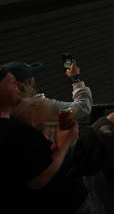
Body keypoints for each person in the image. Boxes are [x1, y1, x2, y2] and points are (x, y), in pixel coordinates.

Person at [0, 67, 83, 211]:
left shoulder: (13, 121)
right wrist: (65, 144)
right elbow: (37, 179)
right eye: (12, 83)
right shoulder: (11, 132)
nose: (18, 86)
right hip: (61, 203)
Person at [4, 59, 93, 125]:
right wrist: (76, 79)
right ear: (28, 81)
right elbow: (83, 108)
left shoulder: (5, 108)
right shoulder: (39, 107)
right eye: (32, 75)